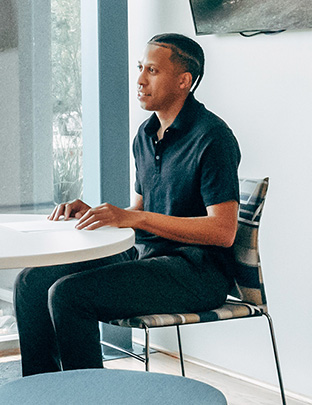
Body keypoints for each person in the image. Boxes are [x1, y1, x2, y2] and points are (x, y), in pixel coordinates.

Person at [14, 33, 241, 375]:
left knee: (69, 295)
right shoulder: (146, 135)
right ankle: (40, 392)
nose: (139, 79)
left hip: (196, 271)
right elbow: (141, 210)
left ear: (184, 81)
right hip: (148, 256)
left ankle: (87, 399)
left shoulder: (212, 138)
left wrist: (137, 220)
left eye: (152, 70)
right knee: (32, 282)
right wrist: (101, 213)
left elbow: (223, 231)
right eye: (140, 68)